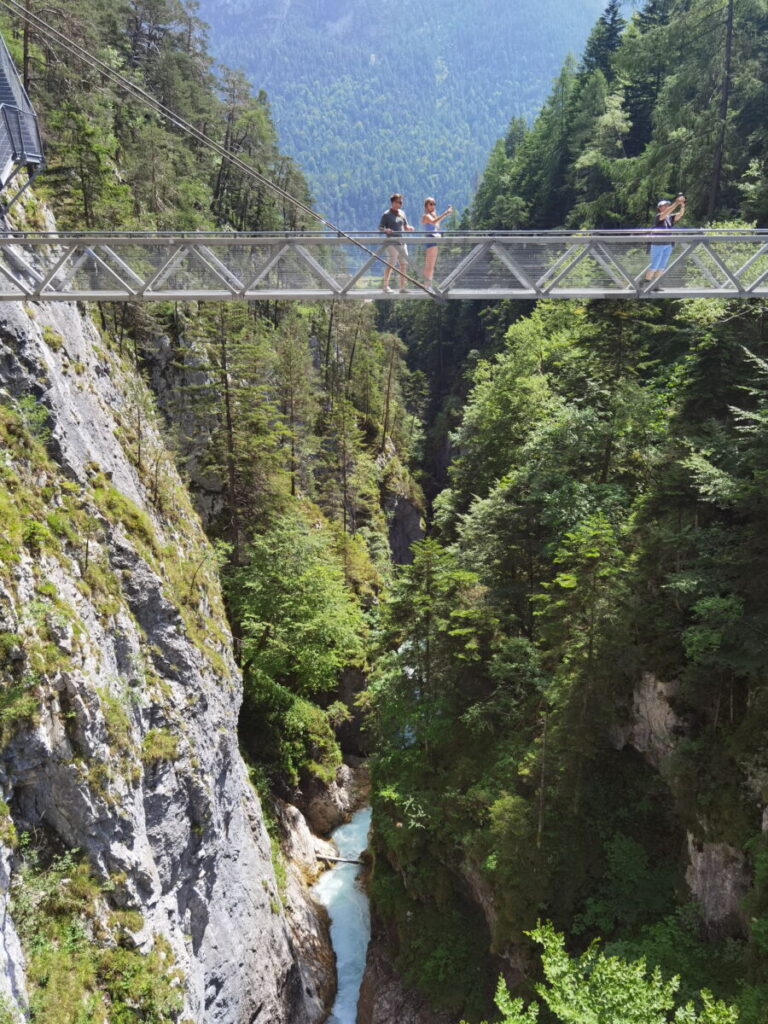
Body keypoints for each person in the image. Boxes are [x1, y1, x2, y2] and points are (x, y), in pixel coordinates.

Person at [645, 195, 686, 287]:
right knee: (654, 265)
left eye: (668, 205)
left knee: (662, 266)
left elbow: (680, 215)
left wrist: (682, 205)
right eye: (664, 205)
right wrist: (676, 203)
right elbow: (667, 212)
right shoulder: (658, 216)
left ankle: (656, 285)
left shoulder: (669, 218)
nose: (667, 206)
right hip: (658, 244)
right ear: (659, 208)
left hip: (668, 244)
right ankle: (646, 284)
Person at [378, 193, 414, 292]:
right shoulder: (386, 214)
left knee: (403, 264)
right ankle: (385, 286)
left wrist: (409, 228)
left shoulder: (402, 213)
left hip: (402, 242)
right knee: (391, 264)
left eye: (401, 202)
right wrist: (386, 230)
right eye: (399, 202)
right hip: (392, 243)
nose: (400, 204)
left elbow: (405, 226)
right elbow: (380, 227)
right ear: (393, 202)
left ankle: (402, 287)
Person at [420, 197, 453, 284]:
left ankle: (427, 284)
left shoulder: (430, 215)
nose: (433, 206)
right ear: (426, 205)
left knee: (431, 265)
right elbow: (434, 222)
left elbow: (436, 223)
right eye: (431, 204)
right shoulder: (426, 216)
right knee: (429, 265)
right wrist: (445, 213)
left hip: (433, 239)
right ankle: (427, 285)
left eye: (434, 204)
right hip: (430, 239)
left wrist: (446, 214)